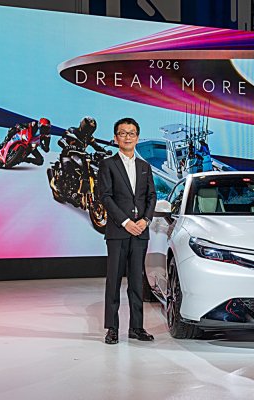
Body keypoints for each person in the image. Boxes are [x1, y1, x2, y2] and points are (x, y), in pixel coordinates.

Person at [98, 117, 157, 345]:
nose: (127, 137)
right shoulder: (108, 164)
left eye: (131, 133)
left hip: (140, 231)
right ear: (115, 138)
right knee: (113, 281)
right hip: (118, 232)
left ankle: (137, 328)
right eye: (122, 133)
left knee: (136, 282)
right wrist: (125, 221)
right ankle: (112, 328)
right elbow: (105, 197)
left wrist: (145, 220)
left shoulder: (144, 167)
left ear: (137, 138)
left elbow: (151, 196)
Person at [57, 117, 109, 205]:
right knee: (68, 170)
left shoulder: (89, 138)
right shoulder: (72, 131)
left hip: (81, 156)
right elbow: (61, 141)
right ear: (83, 126)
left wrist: (105, 152)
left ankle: (82, 191)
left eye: (91, 129)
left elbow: (96, 146)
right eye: (88, 128)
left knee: (92, 169)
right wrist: (67, 146)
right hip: (68, 155)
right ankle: (60, 187)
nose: (89, 130)